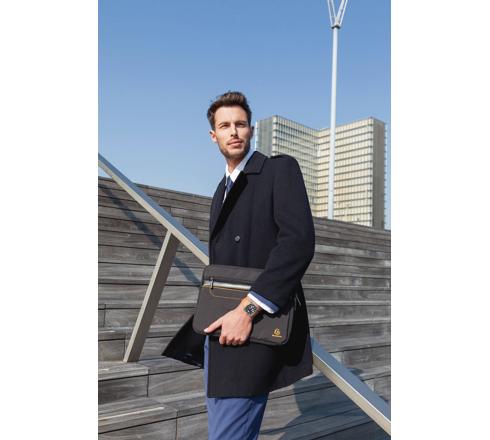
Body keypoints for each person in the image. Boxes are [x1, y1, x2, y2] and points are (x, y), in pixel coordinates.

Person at [163, 91, 315, 439]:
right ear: (213, 135)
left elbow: (298, 243)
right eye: (225, 126)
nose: (234, 131)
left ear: (251, 130)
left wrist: (247, 310)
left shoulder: (278, 169)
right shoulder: (221, 190)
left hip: (253, 324)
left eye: (241, 124)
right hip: (219, 328)